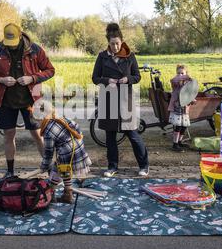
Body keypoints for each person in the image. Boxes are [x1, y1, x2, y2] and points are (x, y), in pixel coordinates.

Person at [0, 23, 55, 178]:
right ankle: (10, 171)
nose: (11, 46)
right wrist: (0, 79)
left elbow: (50, 70)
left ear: (20, 35)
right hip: (7, 100)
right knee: (9, 135)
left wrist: (32, 78)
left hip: (31, 99)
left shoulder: (35, 49)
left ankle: (49, 169)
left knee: (37, 134)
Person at [92, 23, 149, 177]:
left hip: (125, 99)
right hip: (108, 99)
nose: (115, 47)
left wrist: (127, 79)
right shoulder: (102, 56)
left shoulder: (130, 56)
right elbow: (95, 78)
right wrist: (106, 80)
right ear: (108, 43)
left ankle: (144, 166)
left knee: (133, 134)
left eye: (117, 43)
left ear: (122, 41)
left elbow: (137, 77)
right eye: (112, 44)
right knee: (110, 136)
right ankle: (112, 167)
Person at [39, 111, 92, 204]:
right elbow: (77, 126)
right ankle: (68, 194)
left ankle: (51, 193)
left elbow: (48, 153)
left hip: (67, 150)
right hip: (78, 144)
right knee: (62, 169)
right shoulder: (61, 118)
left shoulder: (48, 131)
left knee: (58, 169)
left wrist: (44, 166)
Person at [168, 64, 193, 152]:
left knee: (184, 126)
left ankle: (179, 141)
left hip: (185, 107)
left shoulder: (187, 84)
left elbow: (190, 93)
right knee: (178, 126)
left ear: (186, 73)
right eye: (178, 73)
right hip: (177, 106)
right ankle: (175, 144)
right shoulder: (175, 83)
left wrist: (193, 99)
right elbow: (174, 79)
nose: (180, 75)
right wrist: (184, 76)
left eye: (182, 73)